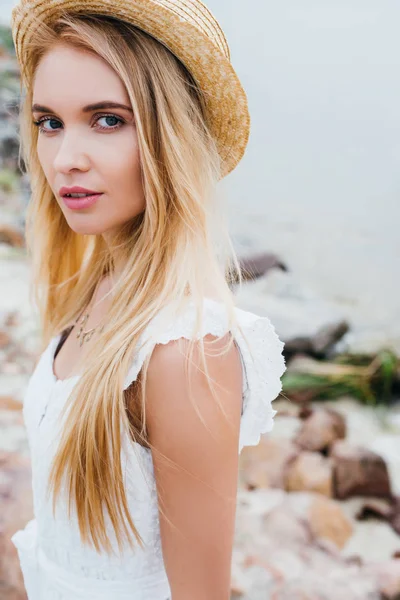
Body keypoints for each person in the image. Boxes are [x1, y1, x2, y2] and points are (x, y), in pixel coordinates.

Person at [9, 1, 286, 598]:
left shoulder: (183, 348)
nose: (64, 159)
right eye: (49, 122)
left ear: (171, 139)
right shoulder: (94, 286)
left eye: (107, 120)